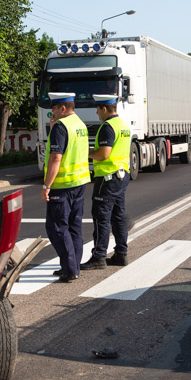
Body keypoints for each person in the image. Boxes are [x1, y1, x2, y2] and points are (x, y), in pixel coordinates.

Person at [42, 93, 90, 282]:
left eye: (53, 108)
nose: (51, 113)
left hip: (62, 185)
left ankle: (70, 270)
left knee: (57, 228)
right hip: (79, 183)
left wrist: (47, 185)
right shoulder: (79, 124)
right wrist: (53, 127)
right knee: (74, 227)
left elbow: (56, 157)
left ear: (62, 108)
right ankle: (73, 266)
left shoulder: (62, 127)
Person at [81, 95, 131, 270]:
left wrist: (85, 153)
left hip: (108, 177)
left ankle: (99, 257)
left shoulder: (107, 127)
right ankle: (121, 254)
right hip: (122, 175)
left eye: (97, 109)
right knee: (118, 216)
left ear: (104, 109)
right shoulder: (123, 125)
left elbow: (103, 154)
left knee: (101, 217)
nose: (96, 112)